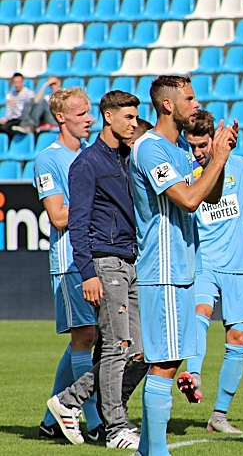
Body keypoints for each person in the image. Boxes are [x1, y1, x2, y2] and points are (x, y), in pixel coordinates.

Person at [129, 75, 237, 456]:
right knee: (165, 363)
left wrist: (217, 159)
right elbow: (189, 199)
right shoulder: (150, 149)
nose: (196, 104)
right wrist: (219, 157)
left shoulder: (177, 149)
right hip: (164, 270)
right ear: (167, 105)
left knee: (170, 361)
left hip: (183, 269)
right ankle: (155, 451)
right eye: (189, 98)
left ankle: (149, 450)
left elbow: (213, 194)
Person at [45, 91, 146, 450]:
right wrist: (88, 272)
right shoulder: (87, 164)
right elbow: (79, 223)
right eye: (129, 117)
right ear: (109, 117)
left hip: (130, 261)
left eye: (136, 118)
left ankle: (70, 400)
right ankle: (114, 426)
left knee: (141, 352)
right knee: (117, 348)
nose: (134, 124)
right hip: (105, 263)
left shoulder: (129, 157)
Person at [181, 110, 243, 434]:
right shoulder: (186, 172)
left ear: (214, 139)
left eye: (201, 146)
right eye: (191, 146)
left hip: (238, 265)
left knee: (238, 338)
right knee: (200, 311)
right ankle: (193, 376)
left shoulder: (239, 165)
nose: (196, 152)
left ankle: (218, 417)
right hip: (204, 262)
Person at [34, 87, 104, 443]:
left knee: (88, 336)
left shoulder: (90, 155)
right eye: (80, 114)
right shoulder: (49, 159)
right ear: (61, 117)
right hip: (70, 261)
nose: (88, 119)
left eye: (89, 112)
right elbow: (58, 217)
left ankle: (52, 418)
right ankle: (95, 423)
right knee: (86, 337)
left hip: (94, 259)